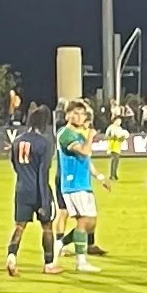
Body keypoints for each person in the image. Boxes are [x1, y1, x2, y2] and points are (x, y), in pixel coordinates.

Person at [4, 104, 59, 275]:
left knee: (19, 226)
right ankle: (49, 264)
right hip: (38, 190)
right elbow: (43, 173)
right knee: (47, 227)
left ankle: (11, 257)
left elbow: (14, 163)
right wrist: (44, 202)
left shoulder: (17, 140)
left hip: (21, 189)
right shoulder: (44, 143)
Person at [55, 104, 102, 272]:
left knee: (91, 222)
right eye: (75, 113)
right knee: (83, 221)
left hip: (84, 183)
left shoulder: (76, 134)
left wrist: (99, 176)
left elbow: (85, 160)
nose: (79, 116)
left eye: (81, 114)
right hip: (73, 182)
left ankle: (60, 243)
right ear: (67, 115)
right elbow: (84, 152)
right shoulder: (65, 134)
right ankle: (81, 262)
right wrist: (90, 137)